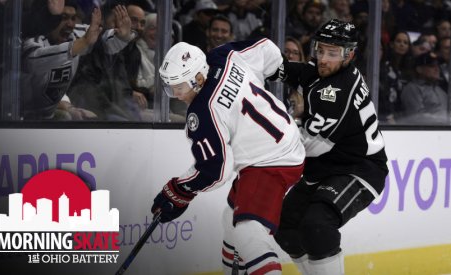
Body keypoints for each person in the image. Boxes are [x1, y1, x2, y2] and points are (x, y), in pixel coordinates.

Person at [151, 39, 305, 274]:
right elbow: (265, 47)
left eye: (178, 87)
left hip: (271, 161)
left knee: (247, 231)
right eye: (170, 88)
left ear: (198, 79)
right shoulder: (223, 55)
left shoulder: (203, 111)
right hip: (284, 140)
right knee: (230, 218)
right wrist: (276, 70)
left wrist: (179, 190)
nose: (176, 95)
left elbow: (217, 170)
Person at [271, 19, 389, 274]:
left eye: (332, 53)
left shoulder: (338, 90)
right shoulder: (324, 70)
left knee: (317, 225)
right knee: (285, 227)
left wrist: (273, 133)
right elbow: (295, 71)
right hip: (326, 167)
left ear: (350, 54)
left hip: (359, 169)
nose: (323, 58)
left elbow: (312, 146)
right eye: (320, 49)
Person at [400, 51, 449, 125]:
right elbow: (416, 117)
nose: (437, 69)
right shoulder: (412, 88)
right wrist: (444, 120)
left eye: (438, 66)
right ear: (419, 69)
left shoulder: (441, 90)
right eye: (432, 66)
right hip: (425, 132)